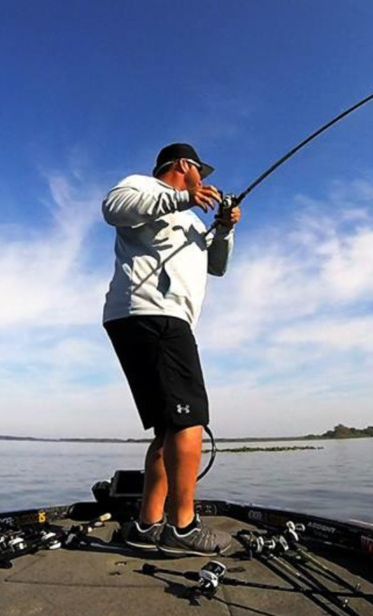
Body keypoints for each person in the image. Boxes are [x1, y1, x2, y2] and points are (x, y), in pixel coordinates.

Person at [101, 142, 242, 556]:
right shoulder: (143, 187)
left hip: (160, 320)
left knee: (169, 427)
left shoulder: (191, 220)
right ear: (185, 165)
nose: (205, 181)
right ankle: (182, 528)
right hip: (155, 315)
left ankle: (146, 526)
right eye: (201, 172)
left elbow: (217, 266)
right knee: (189, 421)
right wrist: (184, 198)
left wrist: (224, 229)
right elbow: (113, 208)